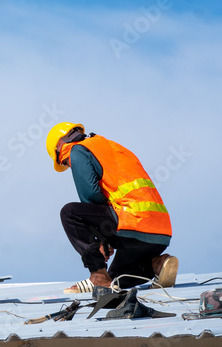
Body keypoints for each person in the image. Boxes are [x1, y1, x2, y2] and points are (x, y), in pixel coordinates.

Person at [46, 122, 178, 294]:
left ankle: (97, 277)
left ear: (60, 146)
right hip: (159, 233)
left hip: (132, 221)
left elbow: (90, 195)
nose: (69, 165)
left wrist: (100, 238)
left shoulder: (78, 150)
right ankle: (157, 264)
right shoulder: (112, 147)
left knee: (70, 213)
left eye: (65, 162)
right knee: (116, 280)